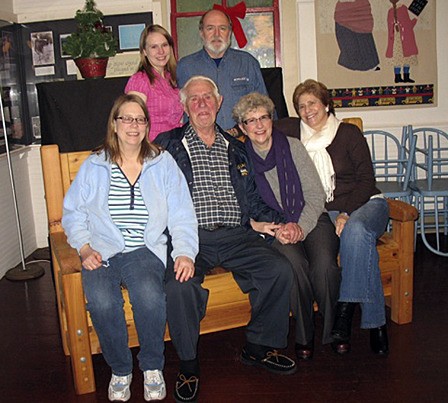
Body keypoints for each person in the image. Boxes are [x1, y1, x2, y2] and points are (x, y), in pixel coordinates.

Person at [155, 76, 297, 403]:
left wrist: (276, 222)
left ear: (219, 103)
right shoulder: (167, 145)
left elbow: (253, 197)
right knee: (179, 286)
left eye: (208, 98)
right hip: (190, 238)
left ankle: (258, 346)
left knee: (278, 269)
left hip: (237, 234)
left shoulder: (237, 147)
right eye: (194, 99)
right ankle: (188, 363)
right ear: (184, 106)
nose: (202, 104)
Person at [62, 94, 199, 402]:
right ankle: (121, 370)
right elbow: (73, 212)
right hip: (102, 248)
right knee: (101, 301)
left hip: (144, 249)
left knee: (150, 297)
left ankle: (152, 367)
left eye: (140, 119)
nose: (133, 125)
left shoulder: (162, 162)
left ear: (147, 125)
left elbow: (181, 212)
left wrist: (185, 252)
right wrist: (83, 248)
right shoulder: (95, 164)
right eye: (126, 118)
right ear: (114, 123)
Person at [232, 92, 341, 361]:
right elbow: (243, 203)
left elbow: (315, 195)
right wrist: (276, 227)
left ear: (272, 120)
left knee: (325, 264)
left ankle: (334, 329)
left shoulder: (292, 146)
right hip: (274, 228)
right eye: (251, 120)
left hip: (311, 218)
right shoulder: (239, 158)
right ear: (243, 127)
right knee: (294, 265)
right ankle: (305, 335)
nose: (258, 125)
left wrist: (300, 227)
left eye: (263, 117)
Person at [291, 79, 389, 356]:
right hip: (329, 212)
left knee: (355, 229)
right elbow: (259, 124)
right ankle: (376, 324)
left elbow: (367, 180)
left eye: (312, 102)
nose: (308, 110)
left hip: (368, 203)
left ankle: (344, 311)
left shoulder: (348, 133)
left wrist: (346, 213)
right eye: (301, 106)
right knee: (360, 242)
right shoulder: (295, 136)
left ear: (325, 103)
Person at [176, 8, 269, 131]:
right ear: (201, 33)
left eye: (222, 28)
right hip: (200, 144)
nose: (216, 34)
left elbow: (264, 108)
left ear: (229, 32)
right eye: (210, 28)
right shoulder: (185, 67)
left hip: (242, 141)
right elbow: (177, 112)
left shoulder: (247, 63)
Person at [125, 25, 183, 141]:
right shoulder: (140, 80)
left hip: (174, 146)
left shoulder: (173, 79)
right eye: (154, 47)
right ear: (145, 51)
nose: (161, 51)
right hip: (152, 147)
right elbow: (132, 123)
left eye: (164, 45)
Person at [386, 0, 419, 83]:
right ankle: (405, 76)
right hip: (404, 38)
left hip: (396, 39)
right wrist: (415, 19)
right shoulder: (403, 9)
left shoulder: (390, 11)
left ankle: (398, 77)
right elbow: (408, 25)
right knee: (406, 58)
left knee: (399, 58)